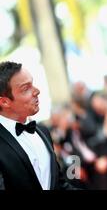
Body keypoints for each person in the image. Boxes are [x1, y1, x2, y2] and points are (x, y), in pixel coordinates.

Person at [0, 61, 76, 190]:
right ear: (5, 102)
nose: (37, 91)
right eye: (26, 88)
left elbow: (59, 185)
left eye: (33, 84)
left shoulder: (43, 132)